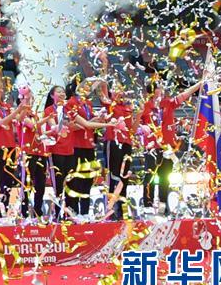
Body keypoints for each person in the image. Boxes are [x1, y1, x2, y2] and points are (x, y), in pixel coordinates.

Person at [140, 77, 203, 217]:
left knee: (165, 179)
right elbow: (136, 124)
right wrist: (142, 129)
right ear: (152, 90)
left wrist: (200, 83)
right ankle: (147, 206)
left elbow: (184, 95)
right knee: (150, 177)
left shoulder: (167, 103)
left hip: (168, 149)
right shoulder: (145, 106)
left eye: (161, 87)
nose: (161, 89)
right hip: (152, 148)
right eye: (158, 87)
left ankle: (163, 208)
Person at [64, 78, 120, 220]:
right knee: (75, 180)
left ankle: (84, 212)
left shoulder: (87, 104)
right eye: (86, 86)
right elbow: (84, 125)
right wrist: (108, 125)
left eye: (90, 87)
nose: (88, 89)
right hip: (75, 146)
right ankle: (72, 212)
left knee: (88, 180)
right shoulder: (71, 103)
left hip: (88, 146)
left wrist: (100, 118)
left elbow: (90, 123)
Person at [0, 81, 27, 223]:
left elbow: (17, 120)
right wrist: (17, 109)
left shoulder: (5, 106)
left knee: (8, 181)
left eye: (2, 88)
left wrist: (24, 107)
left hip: (10, 147)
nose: (0, 91)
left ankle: (3, 213)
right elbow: (1, 122)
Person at [16, 87, 51, 222]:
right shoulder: (20, 114)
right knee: (27, 183)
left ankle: (38, 213)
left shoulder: (35, 114)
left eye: (31, 98)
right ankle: (23, 213)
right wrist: (47, 118)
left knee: (40, 184)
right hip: (27, 152)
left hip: (40, 151)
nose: (30, 100)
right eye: (27, 98)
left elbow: (39, 132)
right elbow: (32, 126)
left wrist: (52, 130)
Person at [102, 84, 136, 221]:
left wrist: (138, 113)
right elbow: (103, 88)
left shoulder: (128, 107)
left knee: (124, 178)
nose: (119, 91)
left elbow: (132, 128)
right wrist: (103, 73)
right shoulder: (109, 104)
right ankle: (109, 211)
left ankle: (122, 212)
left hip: (127, 144)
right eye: (116, 88)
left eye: (121, 88)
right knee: (112, 176)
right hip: (113, 142)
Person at [44, 85, 70, 221]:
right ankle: (58, 214)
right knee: (58, 183)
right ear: (52, 95)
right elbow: (55, 127)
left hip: (70, 150)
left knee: (69, 182)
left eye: (63, 92)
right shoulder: (49, 110)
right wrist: (61, 114)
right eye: (58, 92)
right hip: (56, 150)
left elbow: (76, 124)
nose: (62, 94)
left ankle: (69, 212)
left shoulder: (69, 109)